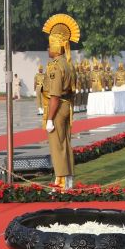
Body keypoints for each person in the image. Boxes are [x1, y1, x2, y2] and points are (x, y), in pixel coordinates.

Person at [41, 14, 80, 190]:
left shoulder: (57, 66)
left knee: (57, 144)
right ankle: (68, 178)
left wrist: (49, 118)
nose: (47, 49)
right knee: (65, 142)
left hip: (57, 106)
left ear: (56, 47)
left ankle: (62, 179)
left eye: (49, 46)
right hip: (66, 105)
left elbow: (55, 94)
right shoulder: (68, 64)